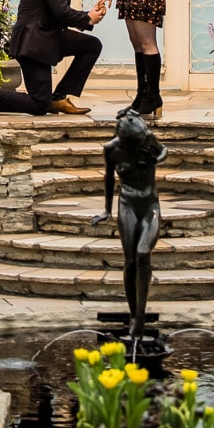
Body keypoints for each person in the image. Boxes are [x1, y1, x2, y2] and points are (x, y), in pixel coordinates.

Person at [88, 112, 167, 344]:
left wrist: (156, 159)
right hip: (127, 204)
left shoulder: (147, 138)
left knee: (144, 253)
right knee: (130, 260)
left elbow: (164, 150)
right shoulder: (111, 149)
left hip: (150, 205)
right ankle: (133, 314)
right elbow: (109, 179)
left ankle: (140, 317)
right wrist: (107, 210)